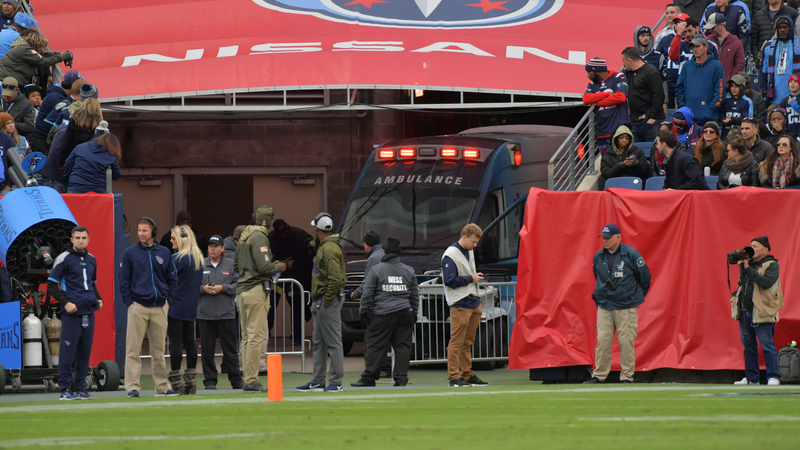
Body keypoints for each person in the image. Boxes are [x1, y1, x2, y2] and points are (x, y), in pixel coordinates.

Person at [119, 217, 180, 398]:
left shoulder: (164, 253)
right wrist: (130, 303)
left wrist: (169, 300)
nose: (141, 234)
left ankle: (162, 386)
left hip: (160, 307)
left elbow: (172, 278)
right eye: (139, 230)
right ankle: (132, 387)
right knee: (133, 349)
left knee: (159, 350)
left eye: (145, 230)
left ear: (153, 232)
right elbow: (124, 281)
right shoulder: (129, 253)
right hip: (137, 306)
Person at [584, 224, 651, 384]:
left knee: (626, 340)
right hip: (605, 305)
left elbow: (645, 277)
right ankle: (599, 375)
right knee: (603, 340)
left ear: (618, 237)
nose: (605, 241)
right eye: (603, 238)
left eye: (608, 238)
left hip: (626, 305)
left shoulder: (631, 254)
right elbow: (597, 276)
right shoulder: (598, 256)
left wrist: (634, 297)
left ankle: (627, 376)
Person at [350, 237, 419, 388]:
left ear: (386, 252)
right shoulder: (408, 270)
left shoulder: (377, 269)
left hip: (383, 314)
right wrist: (414, 312)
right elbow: (414, 294)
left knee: (375, 345)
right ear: (399, 253)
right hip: (404, 312)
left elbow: (368, 293)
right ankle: (401, 379)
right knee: (402, 347)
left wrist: (363, 312)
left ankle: (369, 378)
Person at [234, 205, 286, 393]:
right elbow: (264, 267)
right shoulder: (259, 237)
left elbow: (236, 265)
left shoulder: (244, 236)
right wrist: (280, 267)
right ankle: (251, 380)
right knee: (256, 336)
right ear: (268, 221)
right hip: (256, 290)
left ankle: (248, 377)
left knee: (247, 336)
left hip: (242, 291)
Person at [46, 226, 102, 400]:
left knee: (84, 352)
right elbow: (51, 286)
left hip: (89, 312)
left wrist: (98, 298)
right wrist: (66, 303)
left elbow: (91, 284)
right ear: (71, 239)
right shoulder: (64, 258)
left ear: (88, 239)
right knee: (67, 352)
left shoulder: (92, 259)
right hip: (72, 313)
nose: (80, 241)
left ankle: (81, 388)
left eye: (84, 238)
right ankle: (65, 389)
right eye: (77, 237)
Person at [297, 212, 346, 393]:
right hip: (322, 299)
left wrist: (326, 301)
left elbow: (335, 278)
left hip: (326, 300)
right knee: (319, 342)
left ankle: (336, 380)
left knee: (332, 342)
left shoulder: (329, 248)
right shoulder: (328, 246)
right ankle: (318, 380)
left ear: (317, 228)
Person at [442, 223, 489, 388]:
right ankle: (454, 376)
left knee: (467, 341)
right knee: (457, 341)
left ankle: (467, 375)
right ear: (464, 237)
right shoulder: (450, 255)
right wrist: (471, 278)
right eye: (473, 242)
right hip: (461, 303)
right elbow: (449, 281)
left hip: (473, 300)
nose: (475, 246)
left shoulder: (468, 251)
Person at [732, 236, 784, 385]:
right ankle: (751, 378)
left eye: (755, 246)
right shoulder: (748, 265)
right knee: (748, 347)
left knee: (767, 345)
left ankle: (773, 376)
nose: (752, 249)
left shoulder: (772, 265)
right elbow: (744, 284)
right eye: (751, 246)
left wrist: (747, 269)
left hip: (762, 310)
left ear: (765, 250)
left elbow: (765, 282)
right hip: (745, 310)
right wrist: (736, 294)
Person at [198, 235, 244, 390]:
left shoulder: (231, 264)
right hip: (205, 314)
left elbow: (238, 285)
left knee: (230, 349)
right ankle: (209, 380)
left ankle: (236, 379)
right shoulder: (200, 264)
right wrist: (203, 289)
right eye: (210, 246)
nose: (212, 248)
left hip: (226, 314)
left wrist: (222, 288)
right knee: (207, 350)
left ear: (223, 248)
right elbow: (191, 286)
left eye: (216, 246)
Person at [166, 225, 204, 395]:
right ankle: (191, 380)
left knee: (175, 342)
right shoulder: (198, 258)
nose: (171, 241)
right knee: (190, 342)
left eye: (174, 238)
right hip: (190, 305)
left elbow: (167, 280)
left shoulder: (178, 259)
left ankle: (175, 381)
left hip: (176, 305)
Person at [350, 229, 391, 376]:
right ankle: (385, 368)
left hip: (378, 304)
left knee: (372, 340)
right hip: (388, 302)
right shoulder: (384, 254)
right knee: (386, 339)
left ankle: (375, 370)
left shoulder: (373, 258)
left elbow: (368, 284)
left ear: (367, 245)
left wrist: (356, 296)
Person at [266, 218, 314, 345]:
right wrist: (284, 265)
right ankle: (265, 334)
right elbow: (266, 259)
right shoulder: (269, 239)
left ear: (288, 226)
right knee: (269, 306)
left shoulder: (300, 235)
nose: (284, 236)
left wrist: (298, 265)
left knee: (298, 307)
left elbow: (310, 254)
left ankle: (297, 337)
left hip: (295, 278)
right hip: (277, 278)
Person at [582, 57, 630, 155]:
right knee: (607, 163)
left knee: (621, 160)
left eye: (589, 72)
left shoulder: (618, 76)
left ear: (597, 71)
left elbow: (620, 97)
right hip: (602, 130)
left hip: (618, 129)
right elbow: (586, 99)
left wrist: (598, 102)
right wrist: (606, 94)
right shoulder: (592, 83)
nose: (587, 75)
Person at [676, 35, 726, 127]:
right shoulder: (686, 66)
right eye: (693, 47)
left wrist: (710, 110)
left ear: (706, 47)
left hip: (709, 120)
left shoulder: (716, 66)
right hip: (689, 119)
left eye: (698, 46)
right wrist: (683, 108)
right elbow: (679, 89)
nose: (695, 49)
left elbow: (720, 92)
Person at [31, 69, 81, 153]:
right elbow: (50, 122)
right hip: (41, 140)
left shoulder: (58, 95)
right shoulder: (57, 98)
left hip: (41, 138)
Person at [622, 47, 665, 142]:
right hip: (635, 123)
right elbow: (616, 77)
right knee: (636, 153)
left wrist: (653, 117)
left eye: (623, 60)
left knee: (653, 152)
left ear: (629, 60)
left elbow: (659, 95)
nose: (623, 64)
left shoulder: (651, 72)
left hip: (651, 123)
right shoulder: (628, 73)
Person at [0, 31, 71, 86]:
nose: (42, 49)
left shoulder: (22, 48)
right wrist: (64, 56)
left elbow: (42, 55)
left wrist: (58, 54)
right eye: (42, 46)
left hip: (8, 81)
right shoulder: (25, 50)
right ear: (37, 44)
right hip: (6, 83)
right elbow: (44, 62)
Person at [760, 16, 800, 105]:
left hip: (796, 99)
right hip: (774, 98)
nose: (782, 30)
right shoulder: (768, 47)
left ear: (791, 28)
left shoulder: (798, 46)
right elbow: (763, 71)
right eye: (779, 28)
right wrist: (764, 92)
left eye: (785, 27)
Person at [705, 12, 746, 83]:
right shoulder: (708, 42)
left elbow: (740, 64)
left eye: (713, 27)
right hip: (710, 84)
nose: (710, 30)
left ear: (721, 25)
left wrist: (730, 81)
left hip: (728, 87)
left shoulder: (736, 42)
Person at [656, 10, 684, 108]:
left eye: (680, 22)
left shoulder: (694, 41)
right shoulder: (666, 39)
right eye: (676, 23)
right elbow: (657, 59)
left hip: (685, 84)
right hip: (669, 82)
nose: (677, 25)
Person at [720, 74, 753, 139]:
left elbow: (747, 120)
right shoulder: (726, 100)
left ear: (742, 87)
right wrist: (724, 120)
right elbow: (720, 115)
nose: (733, 88)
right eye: (731, 86)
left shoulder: (747, 102)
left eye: (736, 86)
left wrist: (732, 119)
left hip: (739, 136)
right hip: (725, 135)